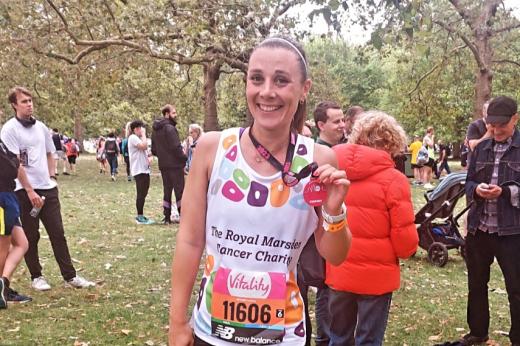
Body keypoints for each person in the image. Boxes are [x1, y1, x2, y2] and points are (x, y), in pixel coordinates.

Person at [169, 36, 352, 346]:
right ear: (246, 84)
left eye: (281, 80)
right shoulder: (213, 149)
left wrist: (334, 212)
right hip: (212, 331)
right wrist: (177, 322)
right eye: (257, 79)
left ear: (304, 89)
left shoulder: (319, 160)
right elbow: (189, 239)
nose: (267, 92)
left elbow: (335, 255)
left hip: (285, 334)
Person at [329, 111, 419, 346]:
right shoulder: (394, 180)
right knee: (369, 340)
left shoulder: (333, 170)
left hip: (339, 268)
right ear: (392, 142)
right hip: (377, 276)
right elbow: (405, 242)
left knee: (338, 337)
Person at [0, 86, 95, 291]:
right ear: (14, 105)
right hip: (23, 190)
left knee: (57, 232)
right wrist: (29, 190)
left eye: (30, 100)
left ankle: (70, 276)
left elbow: (50, 153)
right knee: (30, 235)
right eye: (24, 101)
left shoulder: (41, 127)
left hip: (47, 189)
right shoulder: (9, 129)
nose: (29, 104)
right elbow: (15, 163)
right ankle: (37, 276)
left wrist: (51, 177)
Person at [462, 96, 520, 346]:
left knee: (516, 289)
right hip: (480, 228)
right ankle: (477, 332)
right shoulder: (481, 148)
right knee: (476, 284)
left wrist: (505, 192)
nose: (496, 130)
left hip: (512, 232)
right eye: (491, 125)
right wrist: (477, 190)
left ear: (515, 119)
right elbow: (468, 183)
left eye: (501, 125)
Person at [298, 100, 346, 346]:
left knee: (327, 290)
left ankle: (323, 336)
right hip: (309, 242)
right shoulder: (313, 156)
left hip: (337, 234)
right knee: (310, 289)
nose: (343, 125)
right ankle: (321, 337)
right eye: (336, 121)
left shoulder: (343, 152)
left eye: (343, 120)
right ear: (320, 125)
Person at [0, 139, 31, 308]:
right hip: (2, 198)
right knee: (3, 248)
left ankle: (3, 284)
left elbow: (15, 162)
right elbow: (10, 167)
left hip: (8, 197)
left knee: (22, 244)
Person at [151, 105, 187, 225]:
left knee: (167, 190)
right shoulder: (170, 128)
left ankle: (167, 217)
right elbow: (176, 147)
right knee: (179, 191)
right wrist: (184, 158)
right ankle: (183, 216)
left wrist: (163, 156)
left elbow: (154, 150)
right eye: (174, 113)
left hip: (163, 165)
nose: (175, 115)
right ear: (167, 114)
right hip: (175, 165)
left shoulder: (155, 130)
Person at [129, 120, 154, 225]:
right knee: (140, 193)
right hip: (138, 170)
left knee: (144, 192)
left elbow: (146, 150)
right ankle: (139, 216)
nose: (142, 130)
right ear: (136, 129)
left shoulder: (139, 139)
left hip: (144, 169)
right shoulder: (133, 138)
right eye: (141, 128)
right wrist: (144, 134)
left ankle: (142, 215)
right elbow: (143, 146)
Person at [466, 100, 492, 167]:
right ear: (483, 112)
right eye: (489, 111)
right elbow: (473, 147)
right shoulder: (474, 125)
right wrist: (489, 133)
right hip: (477, 165)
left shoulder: (499, 126)